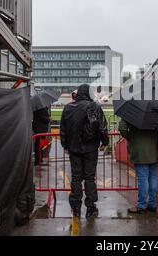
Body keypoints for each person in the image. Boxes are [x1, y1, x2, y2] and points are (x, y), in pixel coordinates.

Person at [60, 84, 109, 219]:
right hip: (91, 148)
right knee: (89, 177)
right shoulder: (94, 106)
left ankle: (75, 206)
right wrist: (105, 142)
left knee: (76, 177)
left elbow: (63, 129)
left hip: (74, 148)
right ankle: (91, 206)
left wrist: (65, 145)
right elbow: (102, 127)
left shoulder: (68, 107)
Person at [118, 119, 158, 214]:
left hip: (140, 150)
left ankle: (141, 206)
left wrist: (131, 137)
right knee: (153, 178)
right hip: (154, 150)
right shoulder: (156, 110)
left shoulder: (133, 110)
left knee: (143, 179)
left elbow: (122, 127)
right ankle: (152, 204)